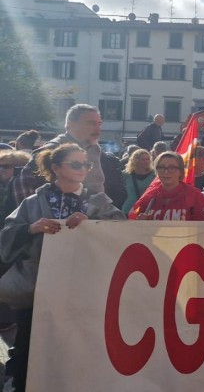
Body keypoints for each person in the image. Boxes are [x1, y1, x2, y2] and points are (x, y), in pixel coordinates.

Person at [1, 143, 125, 391]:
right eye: (76, 164)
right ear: (56, 168)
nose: (83, 169)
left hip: (85, 290)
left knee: (80, 347)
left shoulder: (98, 200)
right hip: (38, 290)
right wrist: (30, 229)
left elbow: (122, 230)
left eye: (86, 164)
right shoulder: (32, 202)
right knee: (29, 346)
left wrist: (93, 222)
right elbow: (6, 238)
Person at [14, 104, 107, 205]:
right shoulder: (52, 149)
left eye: (99, 124)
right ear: (70, 124)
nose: (97, 129)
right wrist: (38, 214)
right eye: (91, 123)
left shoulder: (94, 148)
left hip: (94, 215)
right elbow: (23, 183)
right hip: (60, 216)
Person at [128, 151, 204, 221]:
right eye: (161, 167)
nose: (166, 172)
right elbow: (133, 216)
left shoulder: (195, 196)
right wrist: (139, 222)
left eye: (172, 167)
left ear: (180, 171)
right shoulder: (150, 195)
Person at [120, 149, 156, 214]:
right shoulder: (126, 174)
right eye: (143, 159)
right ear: (136, 161)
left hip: (148, 209)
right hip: (129, 209)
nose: (146, 161)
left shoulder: (154, 174)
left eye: (148, 159)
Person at [0, 150, 30, 221]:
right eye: (0, 166)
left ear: (19, 168)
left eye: (6, 166)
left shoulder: (23, 185)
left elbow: (26, 212)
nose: (1, 169)